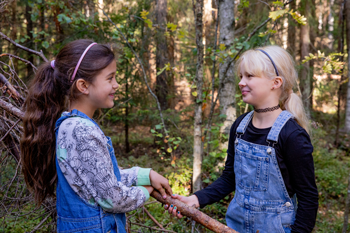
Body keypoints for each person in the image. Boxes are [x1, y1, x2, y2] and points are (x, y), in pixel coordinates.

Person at [20, 39, 172, 233]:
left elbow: (99, 178)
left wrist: (144, 174)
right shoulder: (82, 131)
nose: (116, 85)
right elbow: (113, 198)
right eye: (110, 78)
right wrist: (146, 191)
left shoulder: (70, 125)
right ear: (83, 86)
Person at [166, 45, 319, 233]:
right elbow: (229, 178)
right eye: (241, 76)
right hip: (235, 226)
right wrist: (195, 200)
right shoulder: (240, 127)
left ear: (276, 82)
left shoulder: (292, 135)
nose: (241, 82)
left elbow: (308, 198)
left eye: (250, 76)